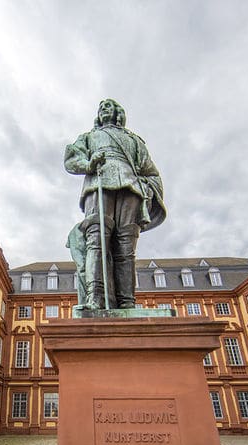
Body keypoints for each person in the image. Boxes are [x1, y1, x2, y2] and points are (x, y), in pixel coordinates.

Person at [64, 99, 165, 309]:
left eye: (108, 106)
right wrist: (89, 164)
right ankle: (95, 298)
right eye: (101, 108)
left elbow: (151, 172)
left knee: (126, 248)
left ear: (118, 112)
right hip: (98, 184)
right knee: (96, 242)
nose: (103, 110)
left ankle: (127, 301)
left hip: (131, 189)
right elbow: (71, 160)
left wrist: (146, 187)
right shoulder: (89, 137)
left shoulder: (134, 140)